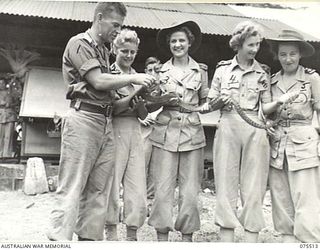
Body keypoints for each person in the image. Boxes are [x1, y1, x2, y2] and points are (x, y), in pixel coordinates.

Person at [47, 2, 155, 241]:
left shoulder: (104, 51)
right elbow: (97, 81)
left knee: (98, 191)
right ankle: (58, 241)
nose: (117, 30)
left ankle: (89, 241)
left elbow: (114, 104)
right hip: (83, 119)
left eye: (120, 25)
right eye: (115, 24)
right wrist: (134, 77)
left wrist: (135, 95)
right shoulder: (79, 44)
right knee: (72, 187)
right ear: (99, 18)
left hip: (105, 121)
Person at [207, 21, 280, 242]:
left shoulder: (263, 72)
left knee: (254, 185)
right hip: (228, 124)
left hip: (255, 126)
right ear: (238, 44)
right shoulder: (222, 70)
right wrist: (220, 100)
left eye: (257, 44)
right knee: (225, 182)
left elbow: (267, 107)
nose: (255, 49)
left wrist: (278, 106)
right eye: (250, 44)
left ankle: (251, 239)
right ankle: (226, 238)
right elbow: (211, 103)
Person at [147, 20, 209, 242]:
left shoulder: (200, 71)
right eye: (173, 41)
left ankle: (187, 239)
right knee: (162, 189)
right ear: (169, 44)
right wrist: (160, 100)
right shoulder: (159, 71)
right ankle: (161, 238)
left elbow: (204, 104)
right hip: (165, 134)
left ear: (189, 43)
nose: (178, 44)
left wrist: (214, 104)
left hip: (192, 134)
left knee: (190, 191)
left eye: (182, 40)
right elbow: (149, 105)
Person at [266, 30, 320, 243]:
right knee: (280, 199)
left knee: (306, 199)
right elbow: (267, 112)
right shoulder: (272, 81)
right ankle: (288, 242)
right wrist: (268, 124)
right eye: (283, 54)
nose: (288, 59)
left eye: (292, 54)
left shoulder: (311, 78)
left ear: (300, 55)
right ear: (277, 56)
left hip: (304, 142)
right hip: (278, 145)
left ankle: (309, 243)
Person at [104, 28, 148, 241]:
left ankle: (132, 233)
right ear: (115, 50)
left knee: (137, 185)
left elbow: (142, 113)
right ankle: (110, 230)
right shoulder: (109, 75)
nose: (129, 56)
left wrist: (149, 101)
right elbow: (114, 108)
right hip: (115, 131)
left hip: (135, 133)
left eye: (132, 52)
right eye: (124, 51)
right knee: (111, 184)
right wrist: (136, 93)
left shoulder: (136, 76)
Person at [140, 56, 162, 199]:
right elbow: (131, 104)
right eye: (150, 70)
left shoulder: (164, 88)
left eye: (157, 70)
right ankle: (138, 198)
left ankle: (150, 199)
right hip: (143, 128)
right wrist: (140, 117)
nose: (153, 73)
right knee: (142, 163)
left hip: (160, 127)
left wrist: (157, 114)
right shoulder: (140, 87)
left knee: (156, 167)